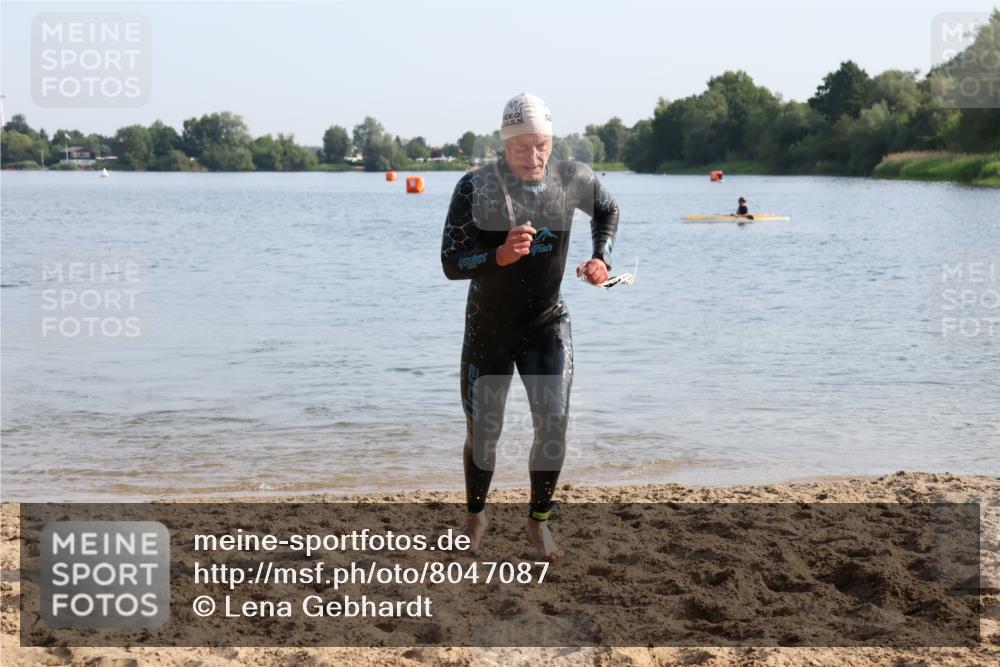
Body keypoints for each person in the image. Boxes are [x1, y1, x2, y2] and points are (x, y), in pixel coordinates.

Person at [441, 92, 620, 561]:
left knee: (554, 423)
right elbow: (451, 262)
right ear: (505, 144)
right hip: (490, 327)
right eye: (523, 148)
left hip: (546, 322)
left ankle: (538, 525)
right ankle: (476, 516)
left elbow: (608, 209)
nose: (534, 157)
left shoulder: (572, 178)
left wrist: (600, 257)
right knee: (484, 434)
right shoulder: (475, 187)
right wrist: (498, 255)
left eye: (542, 145)